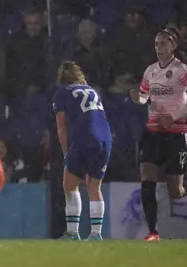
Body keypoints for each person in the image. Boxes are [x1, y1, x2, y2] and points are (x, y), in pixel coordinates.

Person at [129, 28, 187, 241]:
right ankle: (153, 232)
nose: (159, 48)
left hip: (176, 135)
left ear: (173, 46)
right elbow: (145, 97)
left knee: (176, 191)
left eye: (163, 43)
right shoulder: (150, 71)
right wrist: (138, 98)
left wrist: (173, 116)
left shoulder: (181, 70)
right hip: (153, 134)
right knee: (147, 181)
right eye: (156, 44)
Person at [52, 61, 112, 241]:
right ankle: (96, 233)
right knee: (95, 186)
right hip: (105, 137)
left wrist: (66, 153)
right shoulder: (93, 91)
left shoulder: (62, 93)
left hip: (84, 137)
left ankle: (72, 232)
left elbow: (62, 128)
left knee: (69, 185)